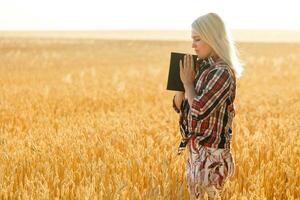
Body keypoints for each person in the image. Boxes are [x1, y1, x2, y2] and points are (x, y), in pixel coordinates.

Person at [172, 12, 244, 200]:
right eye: (192, 39)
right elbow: (180, 107)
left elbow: (199, 110)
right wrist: (179, 84)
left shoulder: (222, 73)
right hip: (195, 153)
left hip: (213, 156)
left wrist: (188, 84)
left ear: (212, 38)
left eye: (197, 39)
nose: (192, 45)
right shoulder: (202, 68)